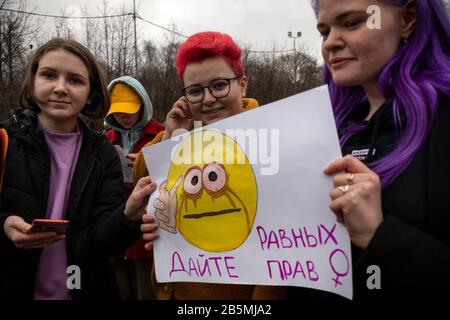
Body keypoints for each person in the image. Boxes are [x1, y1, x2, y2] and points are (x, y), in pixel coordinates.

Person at [290, 0, 450, 300]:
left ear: (408, 19)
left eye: (351, 23)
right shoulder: (324, 129)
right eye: (324, 31)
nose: (331, 43)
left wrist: (380, 236)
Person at [0, 38, 156, 300]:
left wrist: (127, 216)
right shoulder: (4, 139)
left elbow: (103, 241)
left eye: (75, 80)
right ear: (33, 80)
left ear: (91, 93)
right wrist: (3, 224)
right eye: (49, 75)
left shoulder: (103, 153)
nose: (60, 88)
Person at [134, 31, 284, 300]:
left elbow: (284, 243)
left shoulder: (271, 138)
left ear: (243, 84)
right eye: (195, 91)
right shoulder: (180, 131)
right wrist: (171, 137)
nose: (207, 99)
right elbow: (142, 177)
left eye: (218, 85)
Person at [105, 76, 164, 300]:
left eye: (130, 110)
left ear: (143, 106)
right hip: (116, 226)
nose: (124, 116)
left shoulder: (161, 135)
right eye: (118, 111)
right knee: (121, 290)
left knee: (146, 291)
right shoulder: (106, 140)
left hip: (147, 232)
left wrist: (146, 161)